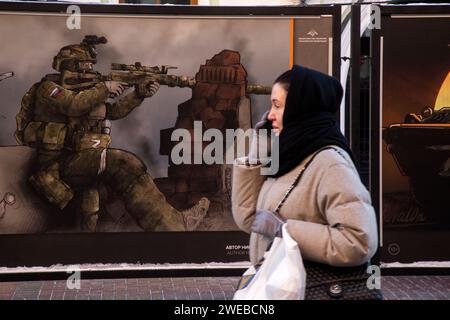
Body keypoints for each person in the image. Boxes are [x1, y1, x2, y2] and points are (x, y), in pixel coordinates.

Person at [16, 35, 209, 232]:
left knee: (89, 209)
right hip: (54, 167)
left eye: (91, 65)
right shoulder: (48, 89)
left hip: (79, 161)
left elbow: (112, 112)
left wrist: (138, 94)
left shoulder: (86, 92)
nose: (91, 70)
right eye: (85, 65)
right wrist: (104, 88)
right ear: (69, 65)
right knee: (123, 163)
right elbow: (73, 104)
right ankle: (173, 227)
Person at [232, 65, 378, 267]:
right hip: (277, 286)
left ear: (300, 109)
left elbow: (359, 242)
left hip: (309, 288)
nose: (270, 115)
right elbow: (250, 220)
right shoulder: (289, 157)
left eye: (278, 105)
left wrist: (285, 231)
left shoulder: (330, 163)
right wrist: (259, 152)